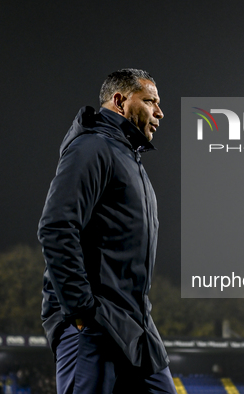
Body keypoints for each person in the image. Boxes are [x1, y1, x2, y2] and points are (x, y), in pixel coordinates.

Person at [37, 68, 176, 394]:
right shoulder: (91, 148)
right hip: (95, 325)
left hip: (136, 327)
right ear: (119, 101)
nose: (159, 112)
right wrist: (82, 311)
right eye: (150, 101)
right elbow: (56, 226)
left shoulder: (127, 157)